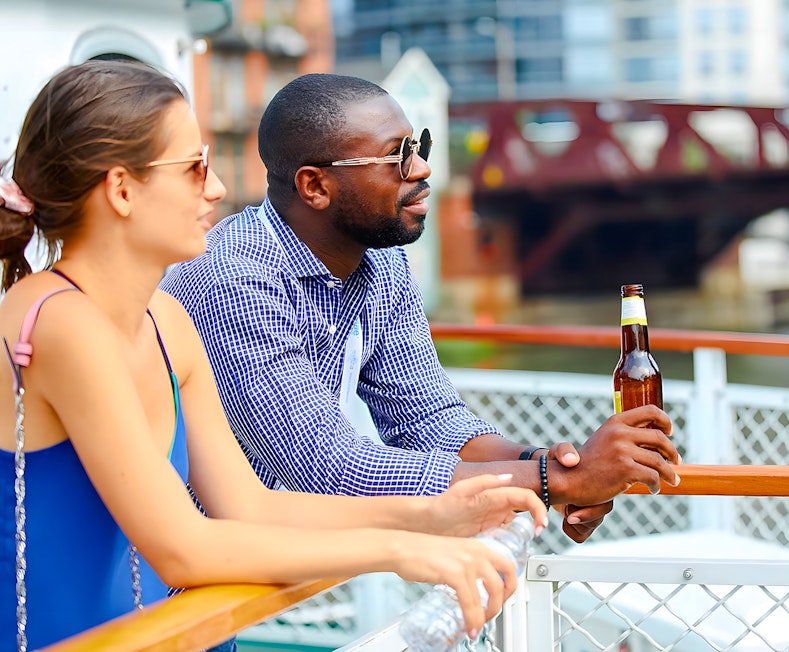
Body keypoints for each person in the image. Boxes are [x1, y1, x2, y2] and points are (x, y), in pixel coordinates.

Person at [0, 59, 548, 651]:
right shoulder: (57, 322)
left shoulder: (167, 322)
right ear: (122, 190)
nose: (215, 188)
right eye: (193, 168)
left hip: (171, 636)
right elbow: (183, 548)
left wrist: (433, 516)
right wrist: (399, 548)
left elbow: (249, 505)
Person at [160, 72, 682, 544]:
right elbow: (328, 471)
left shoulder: (379, 259)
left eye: (419, 145)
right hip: (154, 580)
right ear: (315, 186)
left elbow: (432, 422)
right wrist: (561, 480)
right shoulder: (234, 277)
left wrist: (551, 465)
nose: (423, 167)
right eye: (396, 156)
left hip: (232, 562)